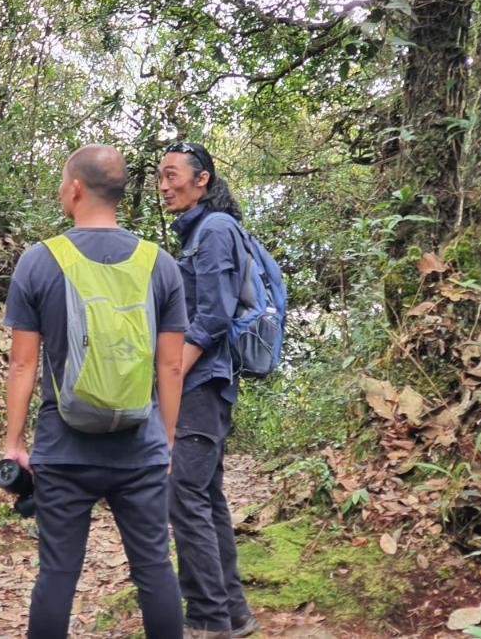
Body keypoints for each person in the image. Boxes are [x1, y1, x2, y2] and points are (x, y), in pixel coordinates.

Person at [4, 144, 187, 639]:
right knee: (154, 572)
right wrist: (166, 441)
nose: (62, 191)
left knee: (58, 575)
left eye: (63, 183)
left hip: (64, 451)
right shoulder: (160, 264)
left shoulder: (39, 261)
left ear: (77, 188)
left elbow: (23, 364)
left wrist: (14, 444)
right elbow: (170, 366)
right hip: (140, 444)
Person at [158, 141, 259, 639]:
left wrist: (173, 372)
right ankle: (233, 614)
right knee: (205, 497)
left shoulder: (215, 230)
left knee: (185, 497)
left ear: (202, 179)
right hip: (204, 384)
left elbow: (214, 315)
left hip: (200, 384)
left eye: (172, 175)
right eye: (160, 176)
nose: (163, 185)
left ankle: (206, 621)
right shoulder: (199, 232)